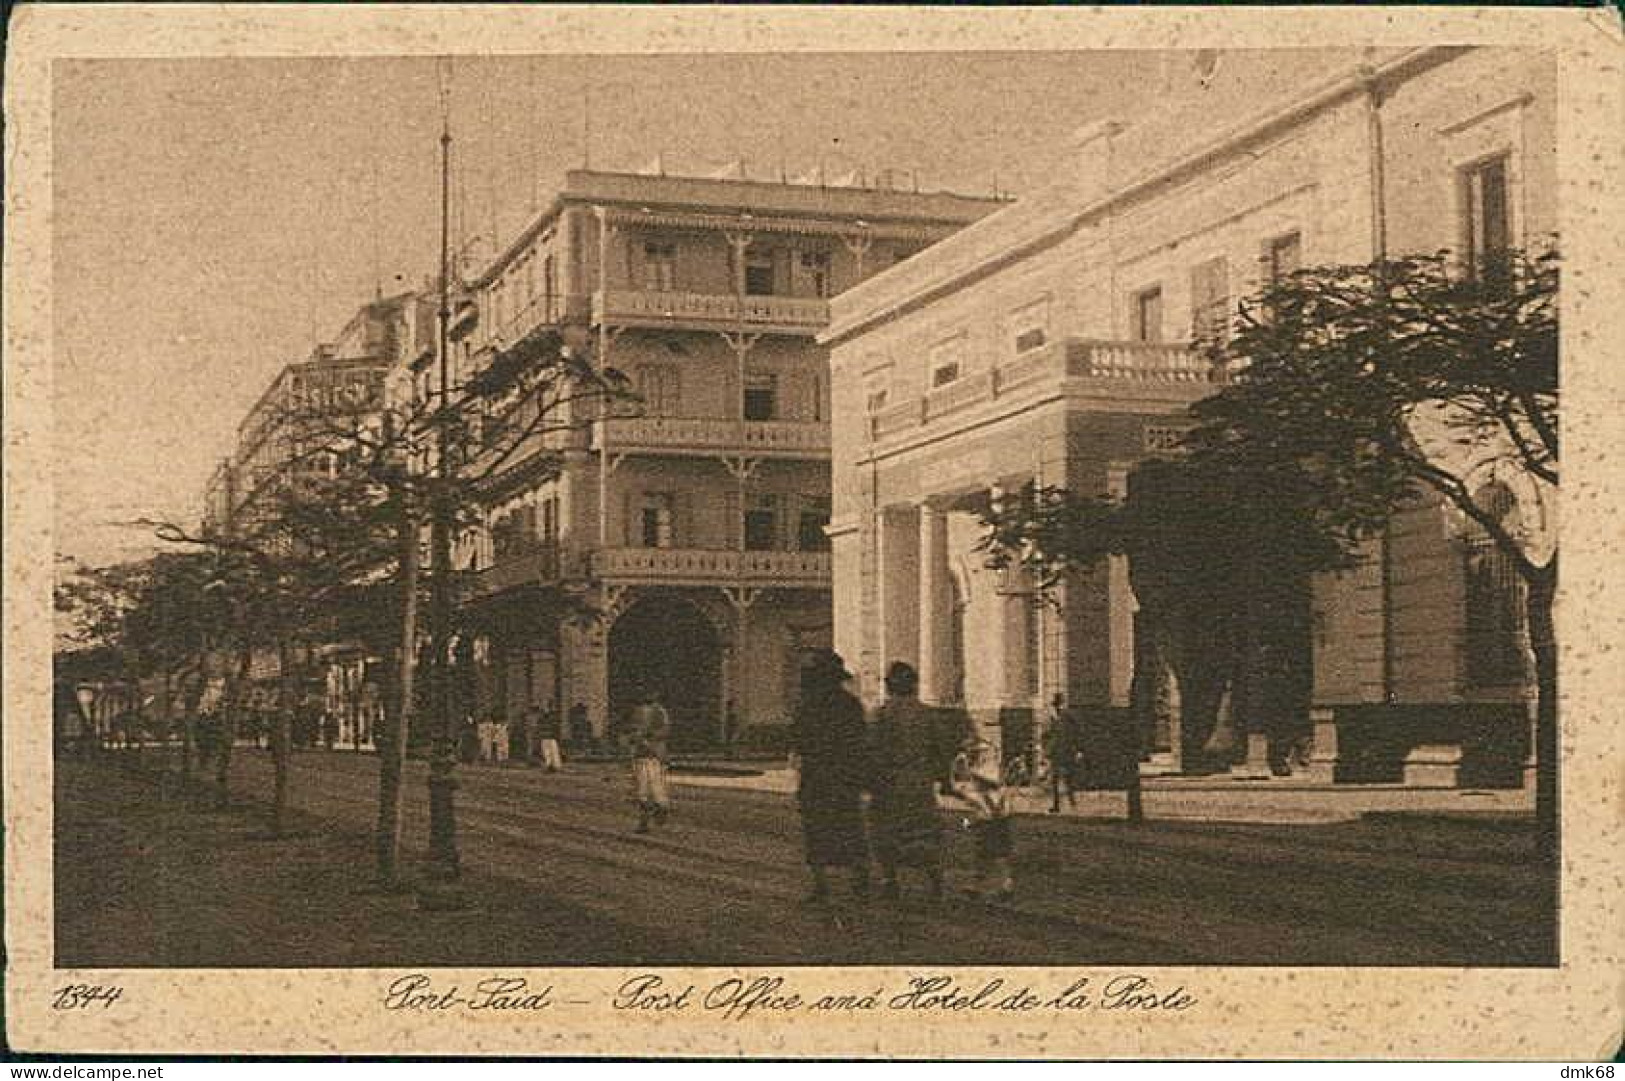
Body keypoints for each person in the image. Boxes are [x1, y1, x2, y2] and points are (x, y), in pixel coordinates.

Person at [789, 650, 871, 906]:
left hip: (817, 775)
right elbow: (861, 740)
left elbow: (798, 742)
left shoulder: (807, 706)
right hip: (845, 775)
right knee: (850, 827)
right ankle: (860, 880)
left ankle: (821, 885)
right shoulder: (851, 705)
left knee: (816, 830)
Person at [868, 661, 951, 903]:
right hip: (919, 783)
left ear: (889, 686)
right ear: (913, 685)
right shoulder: (927, 714)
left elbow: (871, 750)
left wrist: (870, 780)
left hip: (889, 784)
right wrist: (944, 779)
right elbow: (941, 750)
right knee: (924, 832)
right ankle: (935, 882)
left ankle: (890, 879)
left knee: (887, 832)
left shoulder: (881, 715)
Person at [947, 735, 1015, 901]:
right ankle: (981, 885)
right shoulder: (978, 783)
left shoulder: (984, 774)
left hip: (990, 818)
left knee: (992, 853)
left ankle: (1004, 884)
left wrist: (965, 772)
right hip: (994, 816)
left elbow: (989, 783)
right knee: (986, 853)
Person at [628, 692, 672, 834]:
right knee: (656, 786)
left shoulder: (639, 712)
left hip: (644, 755)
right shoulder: (661, 712)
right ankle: (660, 807)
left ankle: (645, 821)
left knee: (642, 790)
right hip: (657, 755)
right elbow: (665, 731)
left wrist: (641, 740)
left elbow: (635, 733)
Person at [1044, 694, 1079, 813]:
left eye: (1059, 704)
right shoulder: (1054, 718)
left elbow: (1076, 733)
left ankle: (1072, 801)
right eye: (1056, 705)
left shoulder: (1069, 717)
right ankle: (1056, 805)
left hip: (1067, 750)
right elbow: (1051, 735)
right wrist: (1048, 749)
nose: (1058, 707)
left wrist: (1078, 749)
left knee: (1068, 778)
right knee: (1055, 778)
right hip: (1057, 751)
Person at [535, 704, 564, 772]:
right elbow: (539, 728)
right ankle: (549, 765)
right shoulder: (542, 720)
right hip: (546, 737)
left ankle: (554, 765)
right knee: (548, 752)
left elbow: (555, 728)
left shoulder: (551, 720)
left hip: (550, 737)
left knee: (552, 752)